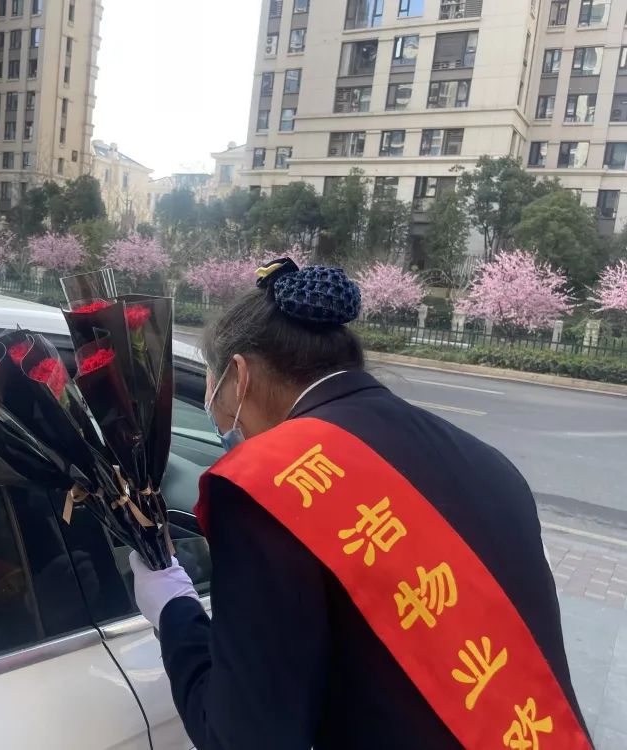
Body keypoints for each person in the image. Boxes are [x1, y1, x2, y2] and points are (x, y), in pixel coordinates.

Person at [130, 259, 592, 750]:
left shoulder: (264, 488)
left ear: (240, 376)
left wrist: (175, 611)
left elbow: (244, 739)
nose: (220, 418)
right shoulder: (487, 462)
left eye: (213, 395)